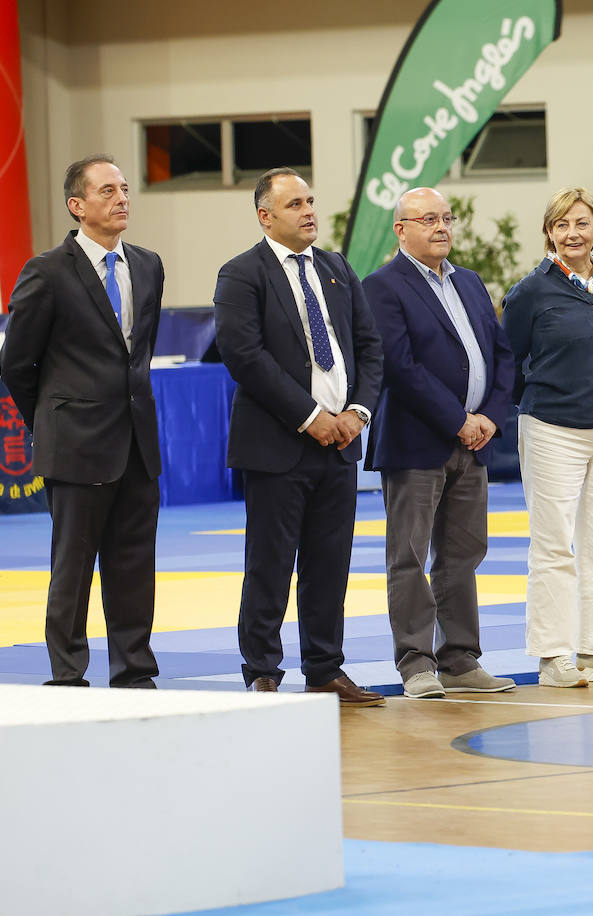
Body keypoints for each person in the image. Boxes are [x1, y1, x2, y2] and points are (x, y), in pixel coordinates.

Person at [213, 167, 385, 706]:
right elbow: (245, 357)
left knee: (330, 563)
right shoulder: (242, 274)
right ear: (266, 216)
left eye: (311, 201)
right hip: (278, 443)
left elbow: (369, 348)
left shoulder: (336, 269)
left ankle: (325, 667)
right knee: (269, 562)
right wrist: (311, 416)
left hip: (341, 442)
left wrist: (356, 412)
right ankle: (262, 669)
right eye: (294, 205)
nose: (308, 212)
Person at [0, 154, 164, 688]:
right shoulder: (46, 271)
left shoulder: (147, 264)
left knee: (135, 563)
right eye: (108, 190)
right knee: (72, 566)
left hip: (137, 440)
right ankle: (68, 672)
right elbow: (16, 364)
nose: (122, 198)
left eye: (124, 189)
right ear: (78, 206)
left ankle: (134, 668)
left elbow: (137, 354)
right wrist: (53, 418)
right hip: (75, 442)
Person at [363, 187, 516, 699]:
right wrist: (458, 420)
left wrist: (490, 416)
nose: (441, 227)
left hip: (475, 442)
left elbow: (501, 356)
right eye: (427, 219)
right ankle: (416, 663)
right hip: (417, 441)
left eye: (446, 217)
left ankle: (460, 659)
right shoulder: (383, 286)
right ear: (401, 229)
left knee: (463, 554)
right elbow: (399, 368)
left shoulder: (469, 282)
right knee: (408, 555)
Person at [501, 188, 593, 688]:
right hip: (552, 430)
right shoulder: (529, 292)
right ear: (549, 234)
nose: (572, 233)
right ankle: (553, 657)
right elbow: (509, 362)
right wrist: (542, 401)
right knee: (554, 546)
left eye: (581, 224)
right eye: (562, 225)